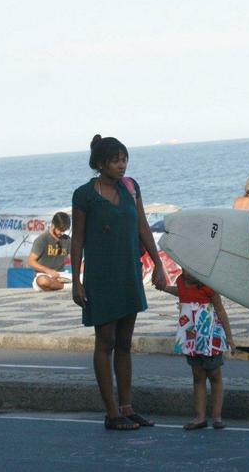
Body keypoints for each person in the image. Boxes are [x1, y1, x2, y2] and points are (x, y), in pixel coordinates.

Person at [71, 135, 167, 431]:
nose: (122, 165)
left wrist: (159, 264)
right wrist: (76, 280)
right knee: (106, 341)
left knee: (125, 343)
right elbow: (77, 239)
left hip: (129, 273)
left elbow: (142, 227)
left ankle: (127, 408)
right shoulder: (84, 195)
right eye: (115, 160)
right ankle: (112, 413)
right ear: (100, 164)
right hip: (101, 277)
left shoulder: (131, 188)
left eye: (124, 159)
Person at [161, 269, 234, 431]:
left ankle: (217, 416)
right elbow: (180, 292)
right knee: (197, 375)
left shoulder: (209, 286)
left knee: (215, 374)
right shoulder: (181, 282)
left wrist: (229, 337)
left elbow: (220, 310)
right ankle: (200, 417)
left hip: (209, 337)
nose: (188, 273)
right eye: (184, 268)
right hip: (191, 335)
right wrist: (164, 287)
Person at [27, 212, 73, 291]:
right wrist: (48, 271)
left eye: (64, 230)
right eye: (60, 230)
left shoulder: (67, 240)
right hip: (43, 275)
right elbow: (30, 262)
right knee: (43, 281)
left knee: (86, 278)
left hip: (61, 275)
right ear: (53, 225)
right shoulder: (42, 240)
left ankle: (58, 286)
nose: (62, 233)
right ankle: (66, 287)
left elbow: (75, 259)